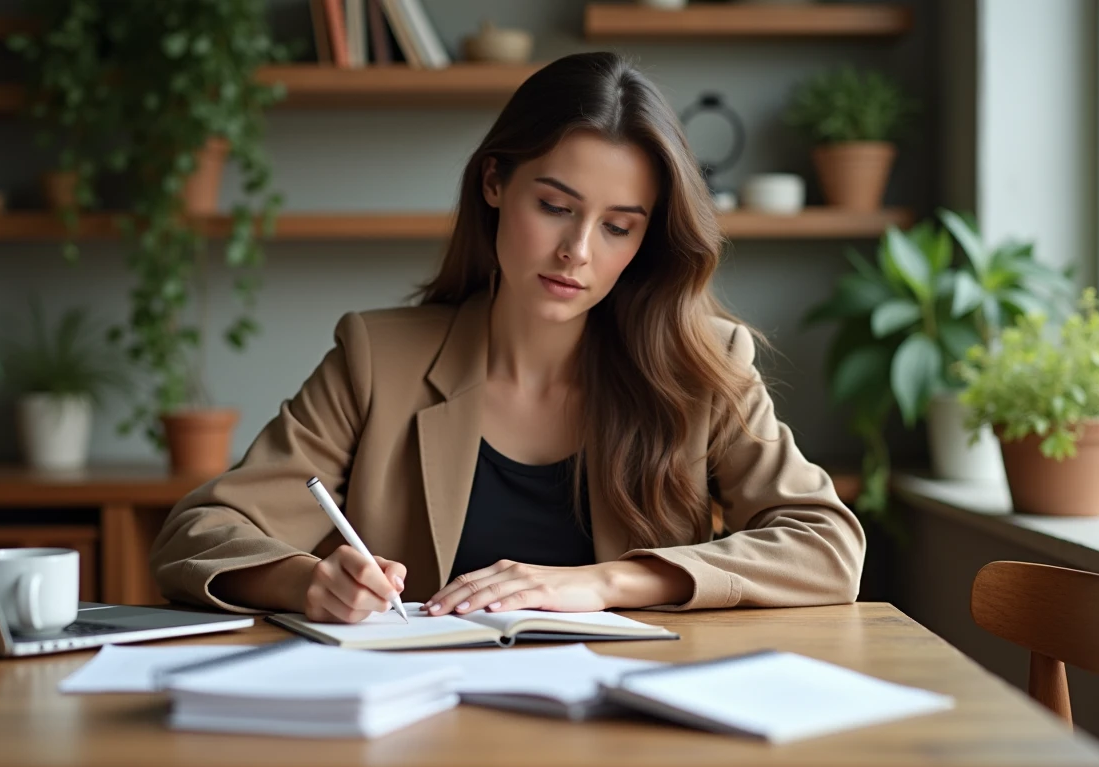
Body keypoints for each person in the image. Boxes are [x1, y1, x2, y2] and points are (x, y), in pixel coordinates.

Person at [150, 51, 865, 623]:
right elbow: (200, 532)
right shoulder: (377, 360)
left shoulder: (702, 364)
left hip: (635, 734)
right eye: (555, 206)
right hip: (422, 731)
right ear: (495, 182)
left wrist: (606, 583)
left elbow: (828, 547)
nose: (577, 251)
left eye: (618, 225)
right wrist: (308, 582)